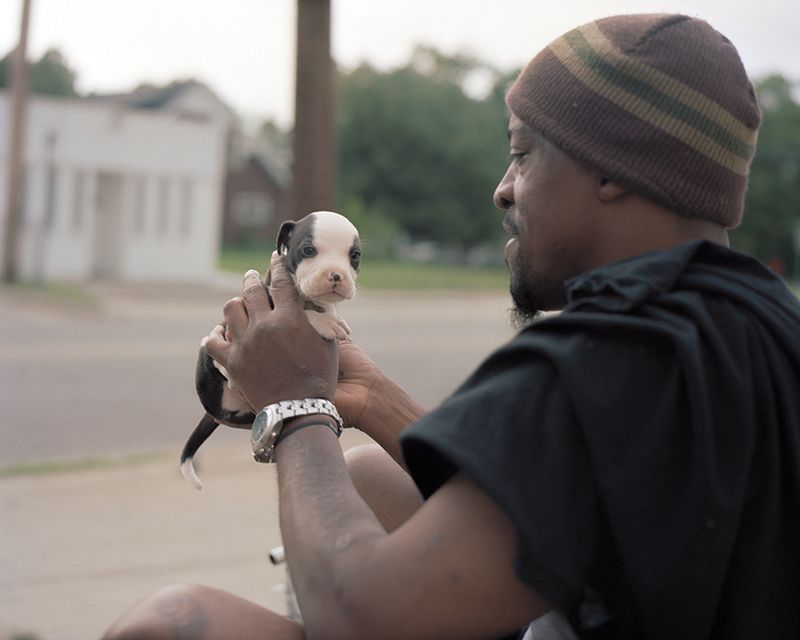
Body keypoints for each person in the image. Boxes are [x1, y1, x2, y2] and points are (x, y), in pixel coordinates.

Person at [103, 13, 800, 640]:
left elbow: (360, 614)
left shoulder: (606, 362)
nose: (503, 186)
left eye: (523, 153)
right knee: (374, 472)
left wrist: (295, 404)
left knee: (169, 625)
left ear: (613, 167)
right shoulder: (757, 324)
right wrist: (368, 397)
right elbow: (576, 486)